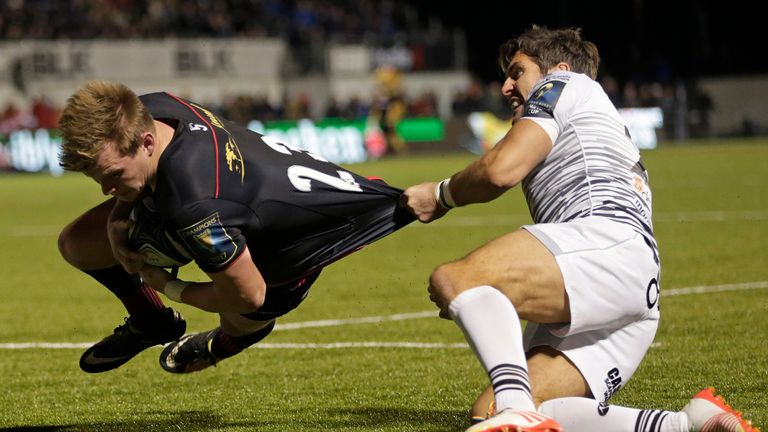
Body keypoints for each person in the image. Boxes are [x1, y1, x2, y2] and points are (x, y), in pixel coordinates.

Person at [401, 26, 758, 432]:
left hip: (605, 243)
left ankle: (518, 409)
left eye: (517, 72)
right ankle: (685, 424)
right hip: (633, 288)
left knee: (457, 280)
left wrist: (441, 195)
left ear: (560, 68)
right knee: (488, 411)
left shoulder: (563, 84)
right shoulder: (587, 110)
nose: (505, 86)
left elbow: (500, 170)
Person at [57, 80, 413, 374]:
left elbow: (248, 293)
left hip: (294, 245)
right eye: (98, 179)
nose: (106, 189)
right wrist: (118, 218)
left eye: (114, 175)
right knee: (76, 243)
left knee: (243, 314)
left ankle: (227, 342)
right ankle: (151, 320)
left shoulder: (194, 204)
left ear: (146, 142)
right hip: (244, 199)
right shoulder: (150, 108)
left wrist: (168, 285)